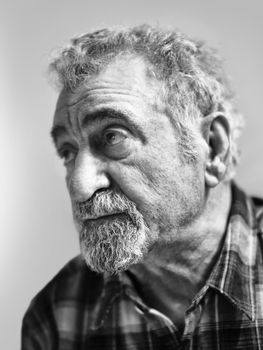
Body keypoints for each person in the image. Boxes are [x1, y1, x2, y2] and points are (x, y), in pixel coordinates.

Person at [21, 24, 263, 349]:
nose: (80, 186)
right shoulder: (57, 314)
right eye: (68, 152)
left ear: (213, 147)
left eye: (113, 137)